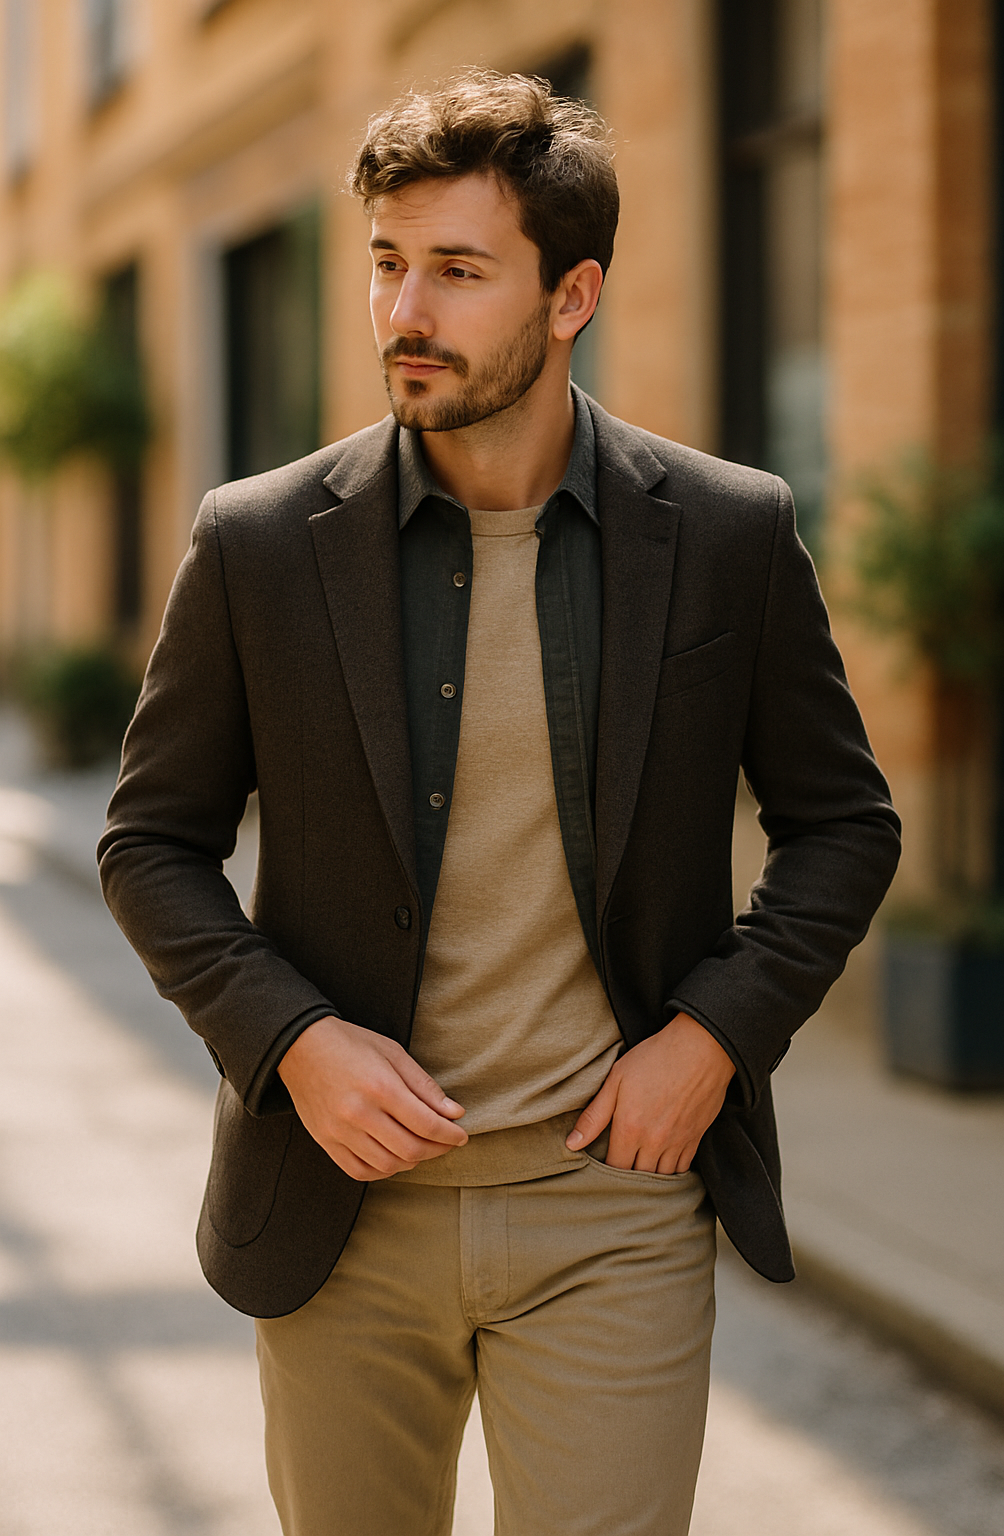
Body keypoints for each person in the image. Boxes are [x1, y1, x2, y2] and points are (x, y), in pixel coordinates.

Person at [99, 70, 900, 1536]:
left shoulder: (727, 533)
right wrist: (293, 1040)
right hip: (342, 1211)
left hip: (613, 1211)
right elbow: (150, 844)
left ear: (571, 292)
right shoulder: (260, 544)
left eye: (459, 272)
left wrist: (714, 1040)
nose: (406, 312)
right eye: (388, 265)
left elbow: (845, 825)